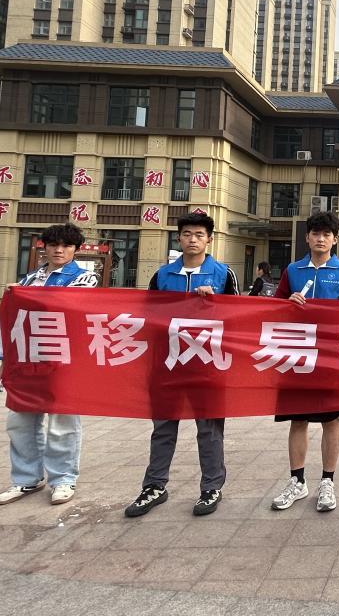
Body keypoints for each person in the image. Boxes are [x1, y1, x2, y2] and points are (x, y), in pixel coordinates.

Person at [126, 212, 239, 518]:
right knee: (163, 427)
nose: (192, 240)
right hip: (169, 364)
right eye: (187, 234)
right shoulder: (163, 275)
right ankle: (154, 486)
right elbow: (149, 317)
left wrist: (214, 303)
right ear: (178, 238)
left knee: (209, 428)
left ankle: (211, 487)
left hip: (208, 364)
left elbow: (238, 318)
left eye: (199, 235)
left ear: (209, 239)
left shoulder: (223, 274)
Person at [0, 223, 98, 507]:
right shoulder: (29, 280)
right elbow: (15, 325)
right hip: (27, 360)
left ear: (76, 249)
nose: (59, 250)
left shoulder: (85, 278)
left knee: (62, 422)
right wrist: (5, 364)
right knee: (20, 421)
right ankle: (26, 478)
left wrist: (22, 296)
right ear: (44, 247)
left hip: (64, 359)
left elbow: (67, 307)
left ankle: (63, 479)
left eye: (66, 245)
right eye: (53, 245)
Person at [269, 211, 339, 513]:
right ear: (307, 238)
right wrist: (288, 303)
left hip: (330, 357)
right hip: (297, 354)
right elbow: (275, 309)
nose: (321, 239)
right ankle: (297, 481)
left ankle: (327, 481)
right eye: (315, 234)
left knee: (330, 419)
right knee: (297, 419)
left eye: (326, 234)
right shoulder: (293, 270)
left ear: (335, 240)